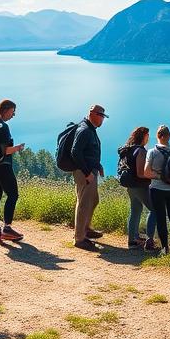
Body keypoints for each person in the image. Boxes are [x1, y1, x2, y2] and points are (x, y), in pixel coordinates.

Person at [0, 99, 26, 245]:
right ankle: (7, 229)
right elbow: (5, 150)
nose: (13, 115)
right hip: (2, 166)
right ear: (6, 110)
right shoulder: (3, 126)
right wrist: (18, 148)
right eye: (13, 112)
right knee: (13, 195)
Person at [71, 104, 107, 250]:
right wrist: (87, 173)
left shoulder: (90, 128)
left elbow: (90, 152)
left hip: (90, 171)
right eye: (101, 116)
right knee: (84, 203)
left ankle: (86, 229)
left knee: (93, 200)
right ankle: (80, 239)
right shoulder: (84, 130)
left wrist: (98, 166)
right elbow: (75, 152)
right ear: (92, 114)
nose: (102, 119)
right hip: (84, 173)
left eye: (103, 116)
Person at [144, 125, 170, 255]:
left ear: (158, 136)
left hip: (157, 189)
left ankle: (165, 248)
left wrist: (160, 176)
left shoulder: (152, 152)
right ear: (169, 136)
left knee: (160, 217)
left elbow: (146, 173)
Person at [118, 126, 157, 251]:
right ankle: (149, 240)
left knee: (136, 210)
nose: (148, 138)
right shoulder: (140, 151)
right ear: (144, 136)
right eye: (147, 135)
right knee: (154, 209)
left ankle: (132, 241)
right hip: (139, 185)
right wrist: (156, 176)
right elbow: (141, 173)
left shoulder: (128, 149)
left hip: (129, 185)